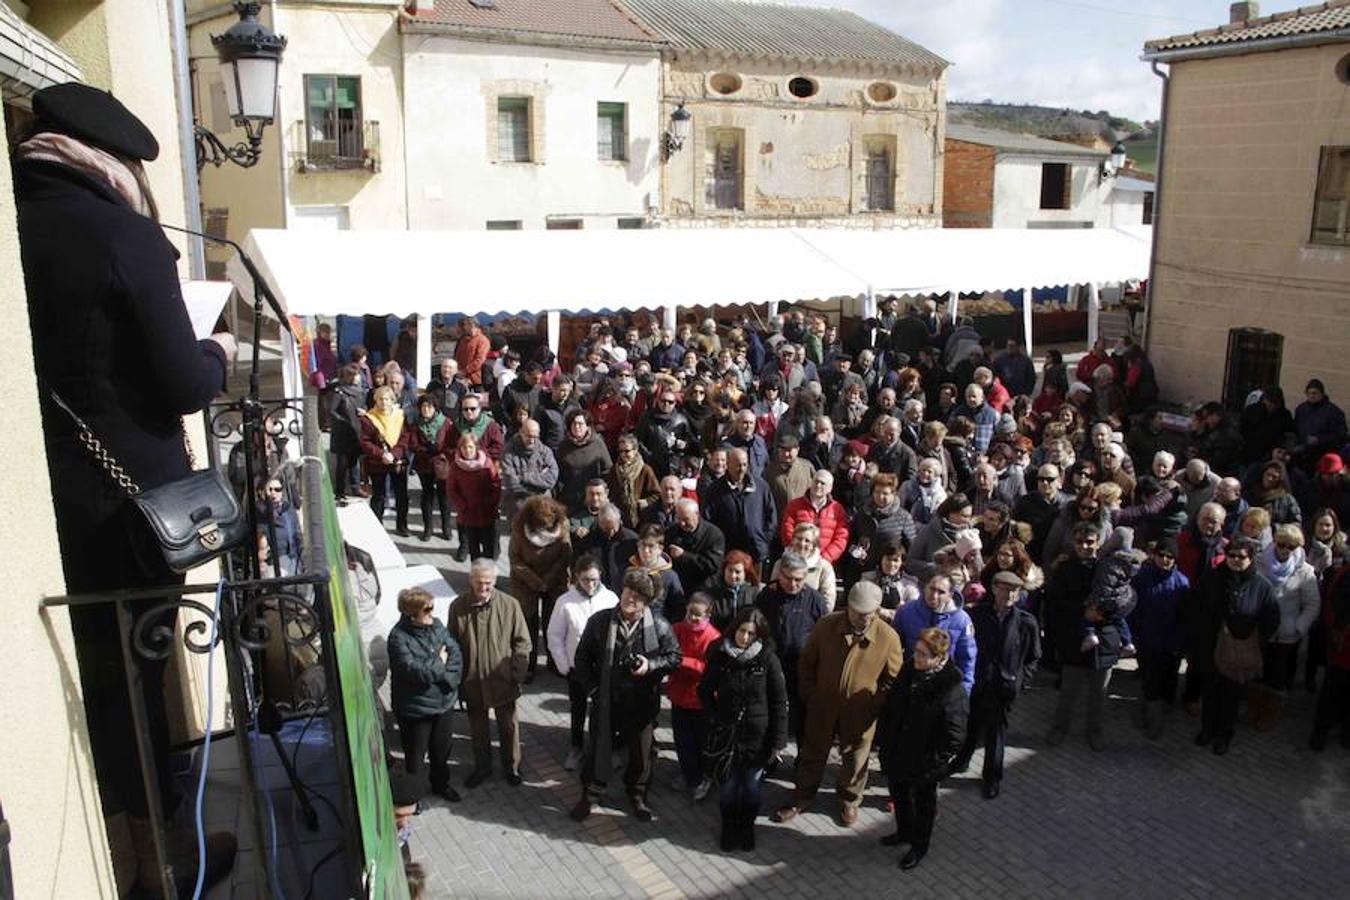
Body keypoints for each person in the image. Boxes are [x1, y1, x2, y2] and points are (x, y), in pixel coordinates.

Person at [15, 81, 244, 892]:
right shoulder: (122, 235)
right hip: (137, 514)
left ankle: (125, 856)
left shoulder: (19, 220)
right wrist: (216, 352)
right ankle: (161, 864)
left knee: (103, 684)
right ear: (119, 162)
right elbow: (183, 380)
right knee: (141, 686)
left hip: (58, 509)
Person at [774, 582, 903, 828]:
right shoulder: (826, 626)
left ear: (877, 611)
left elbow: (892, 679)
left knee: (856, 759)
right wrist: (810, 694)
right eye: (855, 611)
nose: (859, 617)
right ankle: (802, 796)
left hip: (861, 713)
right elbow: (807, 662)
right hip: (822, 706)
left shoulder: (888, 638)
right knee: (813, 752)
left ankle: (849, 800)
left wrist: (874, 704)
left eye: (866, 614)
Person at [570, 569, 683, 823]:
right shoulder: (600, 621)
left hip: (641, 704)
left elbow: (675, 657)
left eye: (639, 595)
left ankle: (638, 795)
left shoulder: (660, 626)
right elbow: (582, 657)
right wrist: (593, 689)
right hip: (606, 700)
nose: (631, 597)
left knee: (641, 755)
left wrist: (650, 665)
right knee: (597, 748)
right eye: (629, 590)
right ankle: (590, 794)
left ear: (647, 602)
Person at [877, 627, 969, 871]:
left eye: (922, 654)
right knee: (899, 796)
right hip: (899, 752)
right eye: (915, 651)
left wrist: (932, 762)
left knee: (924, 807)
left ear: (938, 658)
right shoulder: (910, 669)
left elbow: (955, 736)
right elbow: (894, 704)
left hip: (925, 763)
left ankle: (919, 846)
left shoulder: (951, 689)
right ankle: (904, 832)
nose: (915, 657)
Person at [700, 606, 789, 852]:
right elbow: (705, 691)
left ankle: (747, 825)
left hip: (757, 738)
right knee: (728, 787)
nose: (745, 637)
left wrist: (777, 742)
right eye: (742, 631)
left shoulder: (768, 660)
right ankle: (729, 825)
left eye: (752, 633)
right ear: (734, 629)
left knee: (751, 787)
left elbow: (779, 702)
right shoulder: (720, 656)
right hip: (727, 737)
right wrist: (715, 719)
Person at [950, 571, 1040, 799]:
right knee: (971, 726)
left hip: (1004, 687)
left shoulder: (1025, 622)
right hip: (978, 682)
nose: (1009, 594)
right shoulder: (976, 615)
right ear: (994, 589)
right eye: (1005, 588)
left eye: (1014, 590)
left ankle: (992, 777)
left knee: (995, 733)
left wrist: (1021, 681)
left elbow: (1033, 656)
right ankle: (961, 762)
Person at [447, 559, 531, 787]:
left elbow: (522, 642)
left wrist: (516, 673)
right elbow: (451, 643)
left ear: (495, 581)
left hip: (503, 680)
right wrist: (456, 677)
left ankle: (512, 767)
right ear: (470, 580)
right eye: (478, 582)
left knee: (509, 726)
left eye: (487, 583)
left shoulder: (510, 605)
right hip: (472, 681)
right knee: (478, 729)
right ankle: (482, 767)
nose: (483, 587)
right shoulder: (458, 606)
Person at [1195, 537, 1279, 755]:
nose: (1235, 560)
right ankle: (1207, 729)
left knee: (1231, 695)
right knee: (1210, 690)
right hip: (1212, 646)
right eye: (1231, 555)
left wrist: (1254, 637)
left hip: (1239, 650)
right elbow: (1196, 605)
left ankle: (1224, 734)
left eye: (1241, 557)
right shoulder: (1212, 577)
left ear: (1251, 559)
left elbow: (1271, 617)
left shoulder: (1261, 585)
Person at [1045, 523, 1117, 750]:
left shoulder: (1108, 569)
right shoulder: (1064, 569)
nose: (1085, 547)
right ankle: (1060, 727)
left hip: (1103, 640)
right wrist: (1083, 611)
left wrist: (1101, 614)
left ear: (1098, 543)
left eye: (1090, 542)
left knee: (1098, 693)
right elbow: (1055, 605)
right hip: (1073, 640)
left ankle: (1094, 731)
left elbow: (1122, 600)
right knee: (1068, 691)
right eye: (1080, 542)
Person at [388, 587, 464, 804]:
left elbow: (455, 654)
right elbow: (416, 672)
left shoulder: (437, 626)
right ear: (413, 615)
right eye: (427, 610)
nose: (432, 613)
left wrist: (444, 677)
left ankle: (441, 784)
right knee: (415, 758)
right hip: (416, 710)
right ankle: (414, 796)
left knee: (441, 752)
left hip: (443, 703)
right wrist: (439, 662)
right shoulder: (398, 639)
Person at [547, 556, 620, 771]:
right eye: (586, 579)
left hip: (604, 667)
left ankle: (607, 748)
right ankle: (576, 747)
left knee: (605, 710)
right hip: (577, 669)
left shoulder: (610, 599)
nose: (591, 584)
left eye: (595, 579)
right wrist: (564, 664)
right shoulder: (565, 602)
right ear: (577, 577)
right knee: (578, 709)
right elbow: (555, 636)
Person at [754, 552, 831, 742]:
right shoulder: (767, 595)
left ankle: (801, 760)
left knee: (803, 714)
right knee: (771, 709)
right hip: (773, 664)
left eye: (799, 579)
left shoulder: (814, 599)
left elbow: (824, 634)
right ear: (780, 574)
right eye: (788, 578)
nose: (793, 584)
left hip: (802, 667)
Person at [1250, 524, 1320, 730]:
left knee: (1277, 674)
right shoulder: (1260, 562)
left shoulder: (1305, 571)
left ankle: (1271, 712)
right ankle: (1254, 707)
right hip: (1262, 629)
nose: (1284, 549)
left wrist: (1298, 627)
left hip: (1286, 634)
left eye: (1290, 546)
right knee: (1258, 669)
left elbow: (1312, 604)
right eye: (1281, 544)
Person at [1129, 537, 1190, 738]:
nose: (1165, 560)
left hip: (1170, 642)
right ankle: (1153, 722)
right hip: (1146, 639)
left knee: (1167, 680)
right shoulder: (1141, 578)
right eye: (1161, 555)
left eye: (1169, 557)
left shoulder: (1181, 583)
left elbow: (1184, 617)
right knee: (1150, 680)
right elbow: (1133, 608)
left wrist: (1180, 642)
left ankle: (1161, 709)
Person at [508, 495, 572, 680]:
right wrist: (536, 582)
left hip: (554, 579)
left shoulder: (563, 525)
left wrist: (548, 580)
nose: (545, 528)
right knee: (528, 624)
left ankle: (555, 661)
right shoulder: (520, 528)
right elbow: (515, 560)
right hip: (525, 581)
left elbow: (565, 555)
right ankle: (528, 665)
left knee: (553, 623)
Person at [668, 594, 720, 800]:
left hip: (700, 701)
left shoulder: (713, 637)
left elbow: (710, 670)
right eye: (690, 613)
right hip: (678, 696)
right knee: (682, 741)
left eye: (698, 615)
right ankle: (689, 774)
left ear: (708, 615)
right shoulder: (677, 629)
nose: (692, 618)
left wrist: (682, 662)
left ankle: (703, 777)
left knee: (701, 742)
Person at [894, 574, 976, 695]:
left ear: (950, 595)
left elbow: (967, 659)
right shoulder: (906, 611)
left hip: (944, 686)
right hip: (911, 680)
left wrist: (964, 692)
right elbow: (894, 647)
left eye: (941, 592)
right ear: (925, 587)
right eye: (932, 589)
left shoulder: (961, 621)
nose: (934, 595)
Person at [704, 447, 777, 570]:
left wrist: (763, 539)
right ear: (728, 465)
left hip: (756, 553)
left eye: (744, 464)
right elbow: (708, 520)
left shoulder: (761, 486)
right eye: (738, 465)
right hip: (729, 553)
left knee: (755, 587)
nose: (742, 469)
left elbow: (771, 515)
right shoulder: (715, 490)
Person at [362, 385, 412, 536]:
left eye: (387, 399)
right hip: (378, 463)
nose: (384, 402)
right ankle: (377, 526)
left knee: (401, 494)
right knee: (379, 495)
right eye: (380, 399)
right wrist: (381, 455)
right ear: (375, 400)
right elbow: (365, 442)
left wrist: (394, 454)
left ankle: (402, 525)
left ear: (392, 400)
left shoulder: (400, 416)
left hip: (397, 461)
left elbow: (405, 438)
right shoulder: (368, 418)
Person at [1310, 563, 1350, 750]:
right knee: (1332, 691)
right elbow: (1331, 605)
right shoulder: (1344, 573)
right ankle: (1320, 732)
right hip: (1343, 645)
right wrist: (1335, 632)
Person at [780, 469, 850, 564]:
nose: (818, 485)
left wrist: (825, 558)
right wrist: (797, 551)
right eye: (816, 481)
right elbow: (787, 529)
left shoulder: (837, 509)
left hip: (824, 563)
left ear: (830, 488)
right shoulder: (794, 505)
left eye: (822, 483)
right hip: (796, 560)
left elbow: (841, 538)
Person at [409, 394, 452, 542]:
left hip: (442, 464)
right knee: (427, 496)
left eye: (429, 406)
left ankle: (446, 527)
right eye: (423, 406)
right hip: (424, 464)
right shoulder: (416, 424)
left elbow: (450, 442)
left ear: (435, 408)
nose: (426, 409)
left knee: (444, 497)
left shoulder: (445, 422)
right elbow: (413, 444)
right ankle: (428, 528)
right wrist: (425, 449)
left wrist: (440, 449)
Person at [556, 409, 613, 516]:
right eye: (574, 424)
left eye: (580, 424)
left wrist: (602, 491)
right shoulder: (563, 446)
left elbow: (608, 469)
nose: (577, 427)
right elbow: (558, 472)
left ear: (587, 426)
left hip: (594, 497)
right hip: (571, 498)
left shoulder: (597, 443)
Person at [499, 419, 559, 520]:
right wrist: (540, 485)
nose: (532, 440)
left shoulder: (545, 452)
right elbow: (511, 483)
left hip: (543, 507)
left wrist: (524, 478)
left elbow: (551, 480)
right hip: (518, 509)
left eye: (535, 437)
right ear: (521, 432)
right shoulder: (508, 452)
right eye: (529, 436)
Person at [606, 433, 660, 529]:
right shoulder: (614, 470)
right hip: (620, 519)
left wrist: (646, 502)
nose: (623, 454)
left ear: (635, 450)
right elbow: (609, 491)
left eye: (627, 451)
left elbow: (657, 494)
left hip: (641, 519)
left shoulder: (645, 470)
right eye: (621, 451)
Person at [1294, 379, 1347, 473]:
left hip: (1323, 454)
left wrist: (1319, 439)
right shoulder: (1302, 409)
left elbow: (1340, 435)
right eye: (1309, 393)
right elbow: (1296, 428)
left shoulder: (1333, 412)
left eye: (1315, 393)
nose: (1312, 396)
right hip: (1304, 453)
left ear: (1322, 394)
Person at [330, 363, 365, 501]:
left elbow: (363, 406)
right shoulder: (340, 391)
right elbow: (332, 410)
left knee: (354, 461)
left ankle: (355, 487)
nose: (359, 378)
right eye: (356, 375)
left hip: (356, 430)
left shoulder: (360, 391)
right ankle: (340, 491)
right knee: (342, 463)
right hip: (343, 433)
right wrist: (343, 421)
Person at [862, 540, 922, 621]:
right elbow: (863, 604)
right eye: (888, 559)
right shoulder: (868, 579)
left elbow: (912, 612)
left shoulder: (910, 584)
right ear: (881, 559)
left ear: (902, 562)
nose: (891, 564)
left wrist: (883, 612)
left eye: (895, 560)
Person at [455, 317, 490, 387]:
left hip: (475, 380)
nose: (464, 327)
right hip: (460, 377)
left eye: (465, 324)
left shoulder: (482, 340)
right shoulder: (463, 339)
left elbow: (479, 360)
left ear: (472, 325)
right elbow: (457, 356)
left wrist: (464, 371)